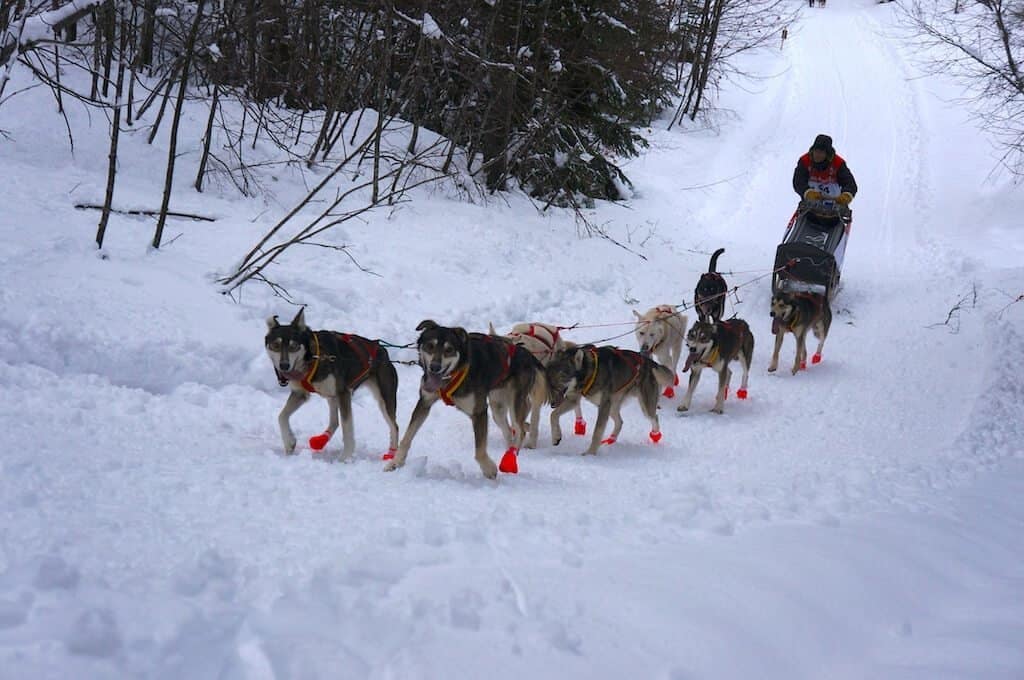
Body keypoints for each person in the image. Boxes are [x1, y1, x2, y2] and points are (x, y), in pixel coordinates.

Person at [792, 133, 857, 225]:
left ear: (827, 154)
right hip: (810, 208)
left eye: (821, 152)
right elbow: (798, 181)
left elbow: (850, 184)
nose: (817, 155)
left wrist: (846, 195)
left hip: (834, 211)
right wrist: (807, 192)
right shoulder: (805, 161)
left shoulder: (838, 164)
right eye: (816, 151)